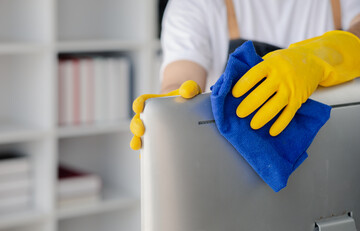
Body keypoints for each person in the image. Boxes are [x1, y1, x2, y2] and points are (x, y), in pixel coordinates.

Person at [130, 0, 360, 150]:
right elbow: (179, 79)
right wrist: (167, 118)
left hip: (334, 157)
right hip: (232, 169)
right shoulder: (193, 4)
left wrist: (321, 57)